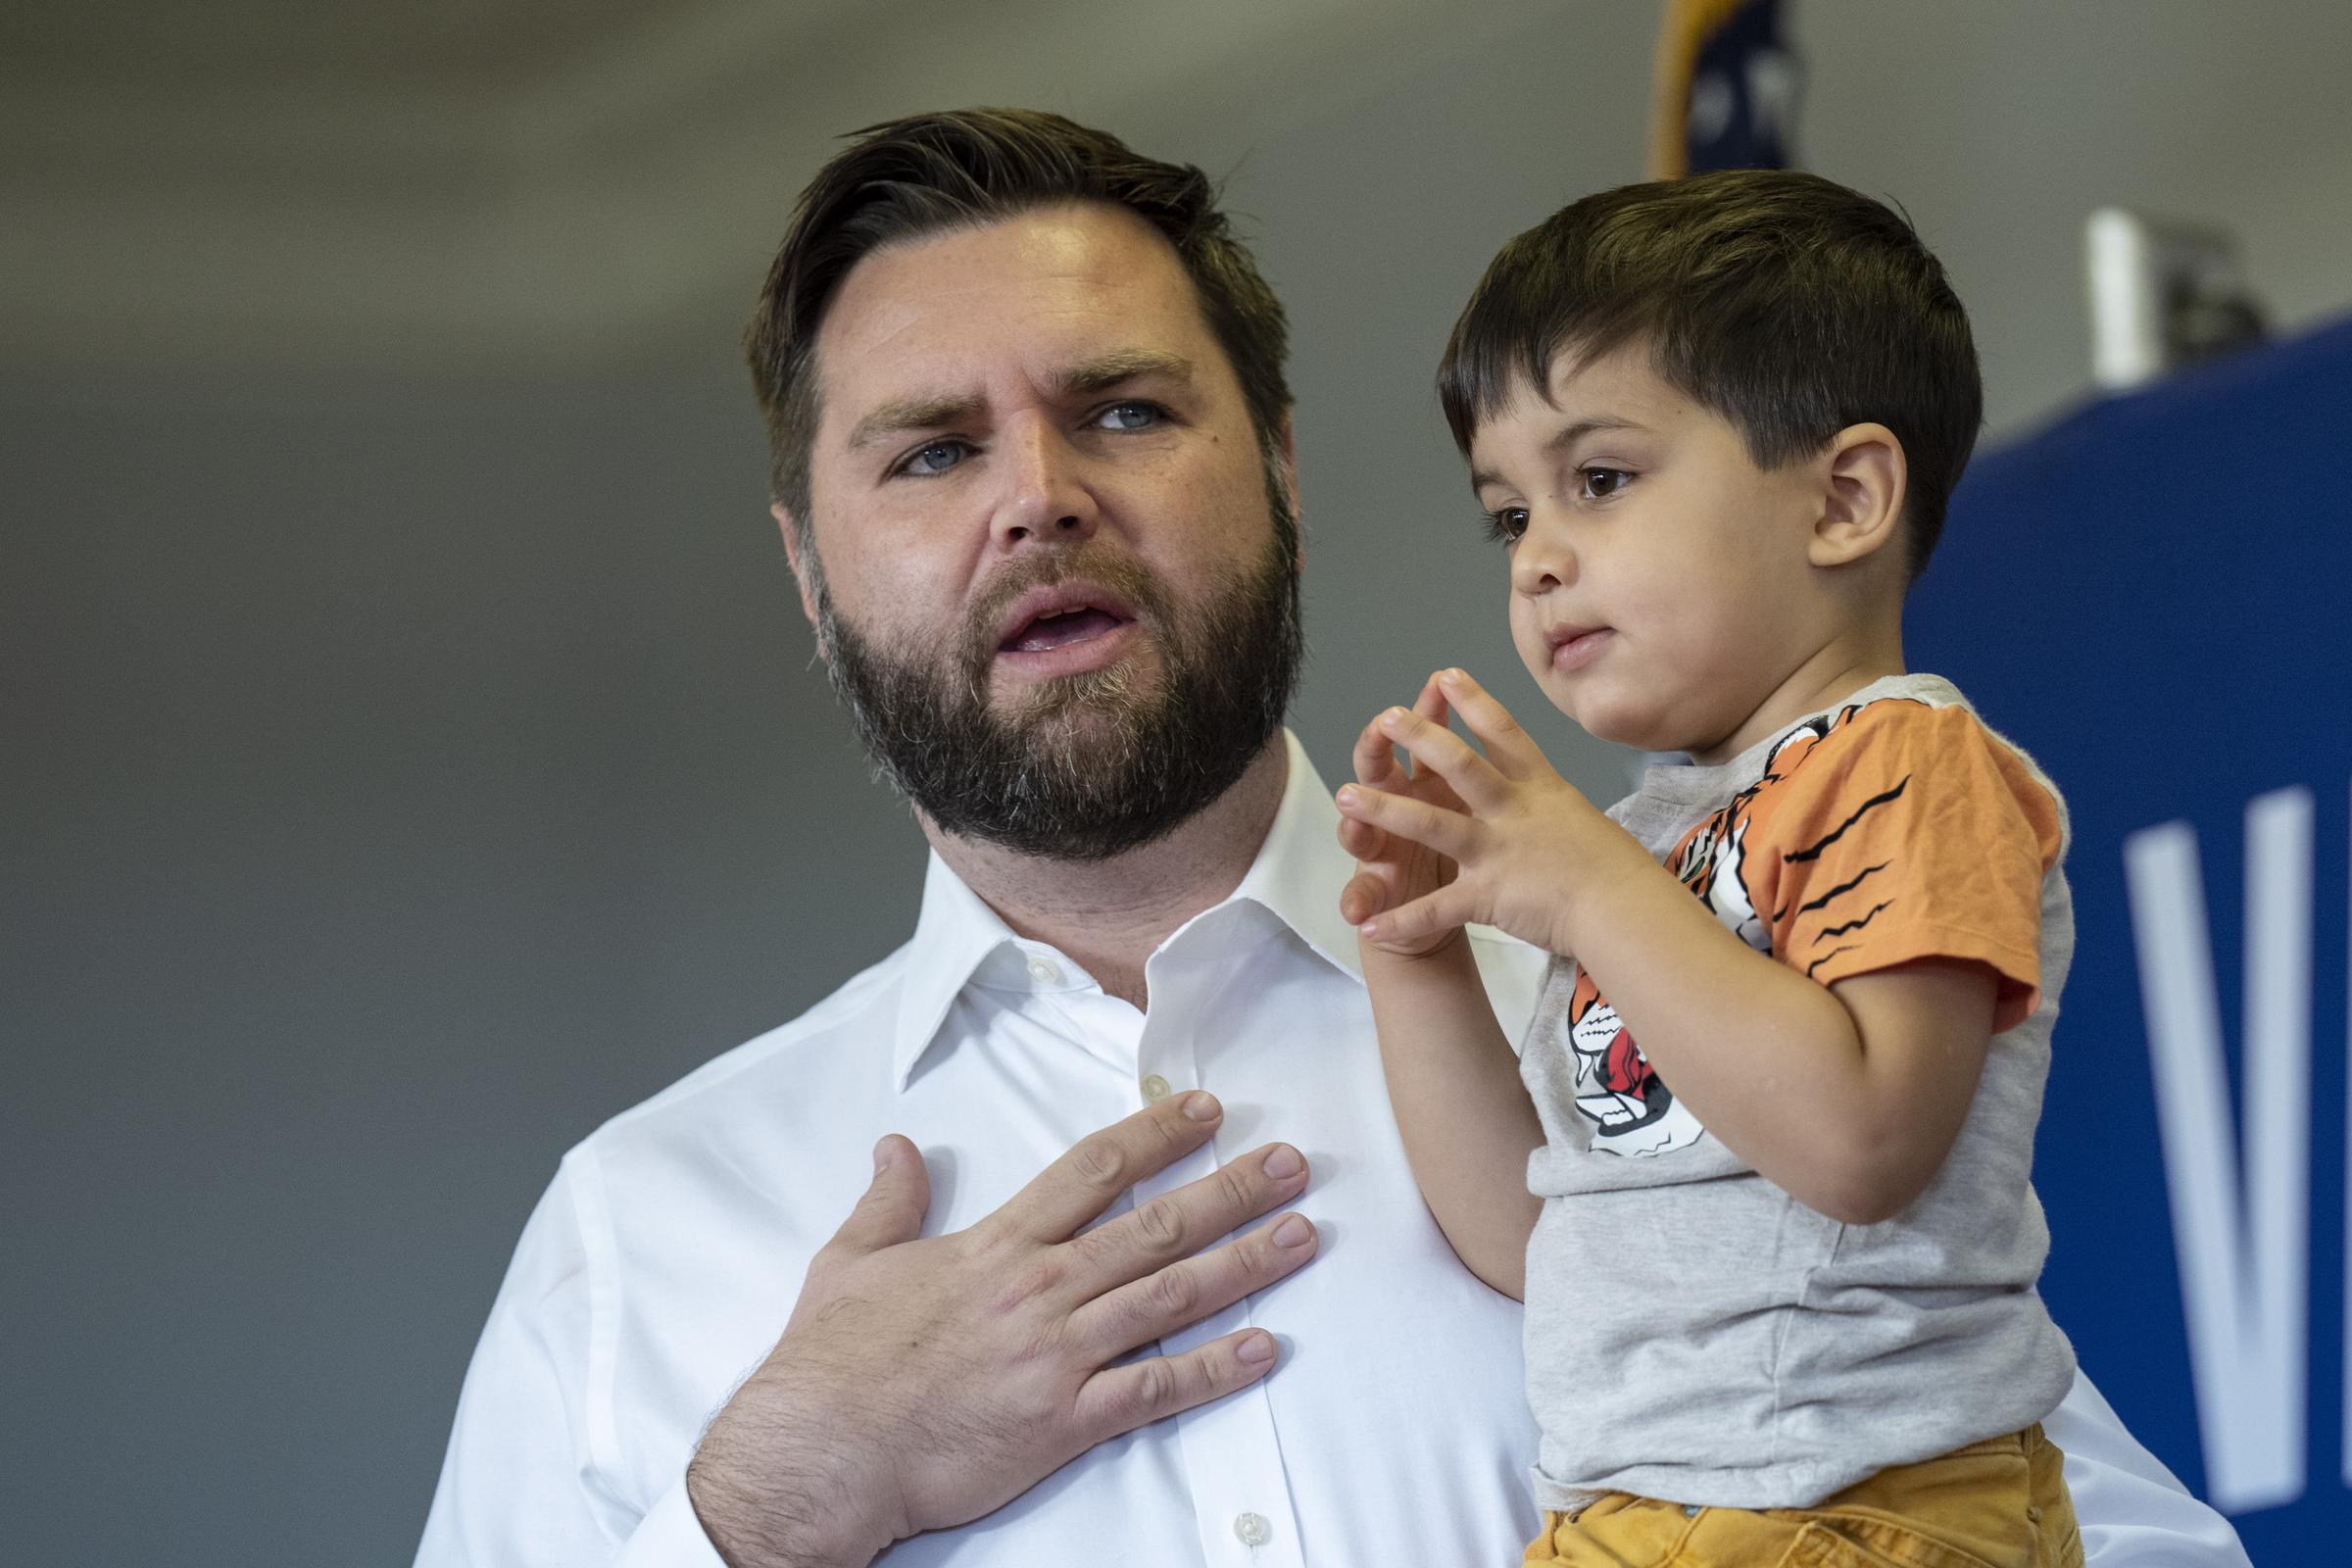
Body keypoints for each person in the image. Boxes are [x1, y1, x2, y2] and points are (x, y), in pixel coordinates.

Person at [415, 111, 2251, 1568]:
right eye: (928, 453)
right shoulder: (641, 1240)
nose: (1039, 500)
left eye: (1122, 410)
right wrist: (758, 1523)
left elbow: (2061, 1514)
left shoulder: (1675, 980)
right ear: (812, 576)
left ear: (1281, 469)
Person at [1334, 172, 2087, 1566]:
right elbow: (1529, 1235)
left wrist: (1580, 890)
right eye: (1509, 517)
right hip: (1631, 1512)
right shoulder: (1635, 844)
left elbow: (1862, 1141)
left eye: (1600, 481)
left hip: (1849, 1506)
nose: (1541, 561)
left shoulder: (1908, 758)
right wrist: (1416, 952)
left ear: (1845, 498)